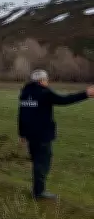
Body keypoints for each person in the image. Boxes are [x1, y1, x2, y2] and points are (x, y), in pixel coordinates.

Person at [18, 69, 94, 200]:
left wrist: (22, 134)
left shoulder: (25, 93)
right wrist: (86, 94)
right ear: (42, 81)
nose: (47, 82)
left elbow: (21, 115)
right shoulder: (44, 93)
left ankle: (37, 189)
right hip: (42, 135)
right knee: (42, 163)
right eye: (46, 79)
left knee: (37, 162)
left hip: (30, 135)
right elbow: (64, 100)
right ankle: (39, 192)